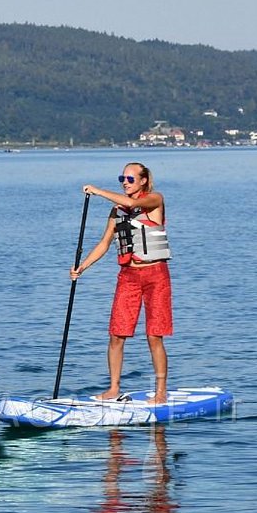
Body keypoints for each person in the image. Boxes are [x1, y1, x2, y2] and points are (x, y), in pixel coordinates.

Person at [70, 162, 172, 404]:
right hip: (128, 277)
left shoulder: (154, 199)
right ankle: (113, 388)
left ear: (143, 180)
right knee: (117, 334)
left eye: (130, 178)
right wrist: (82, 267)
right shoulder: (117, 212)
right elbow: (105, 243)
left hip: (156, 276)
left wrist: (96, 190)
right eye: (122, 179)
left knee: (154, 336)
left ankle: (160, 392)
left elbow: (132, 204)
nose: (125, 183)